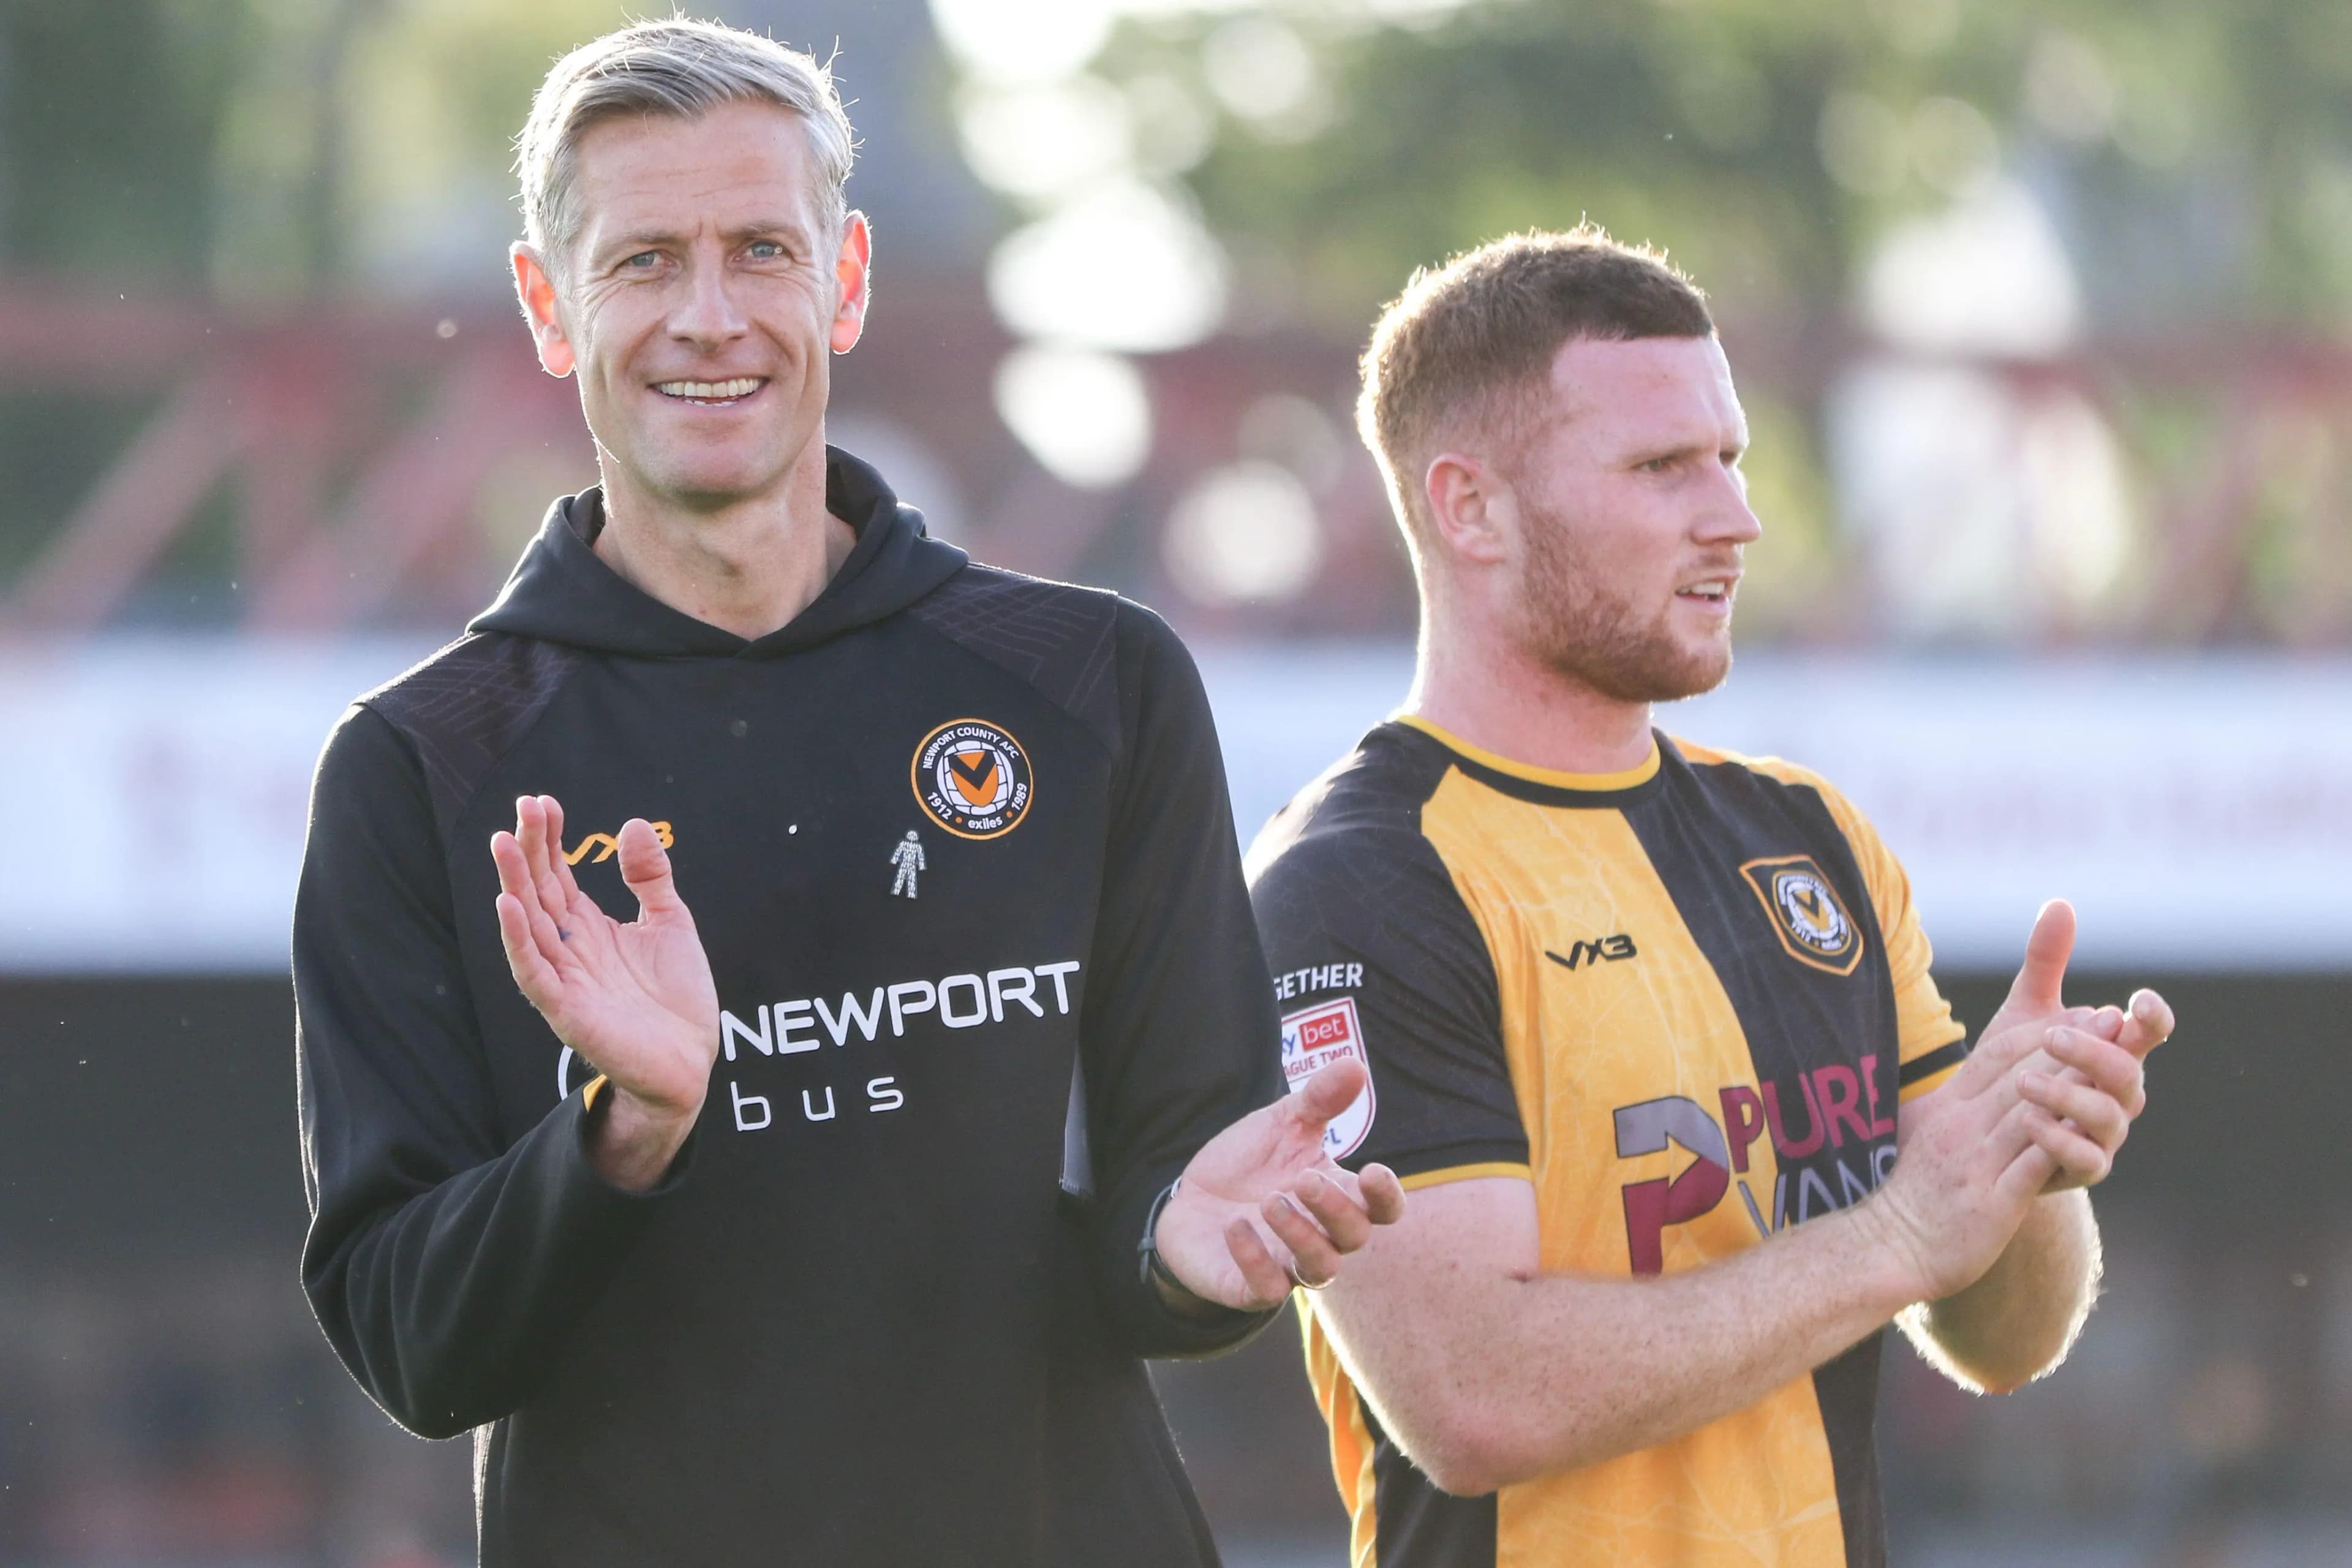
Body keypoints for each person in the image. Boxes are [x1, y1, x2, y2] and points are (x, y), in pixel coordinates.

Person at [293, 20, 1401, 1566]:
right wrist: (626, 1127)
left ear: (849, 277)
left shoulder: (1095, 687)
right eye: (641, 263)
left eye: (762, 249)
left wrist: (1194, 1257)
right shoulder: (425, 768)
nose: (709, 316)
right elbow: (415, 1346)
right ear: (548, 305)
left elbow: (1175, 1200)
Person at [1245, 228, 2175, 1567]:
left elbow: (2004, 1339)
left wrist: (2025, 1155)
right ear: (1472, 509)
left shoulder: (1809, 836)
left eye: (1729, 458)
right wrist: (1904, 1227)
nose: (1734, 516)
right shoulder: (1355, 884)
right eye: (1661, 466)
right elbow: (1473, 1395)